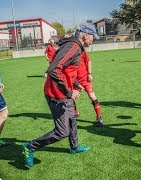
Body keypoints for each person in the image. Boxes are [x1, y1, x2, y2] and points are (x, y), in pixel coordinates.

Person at [22, 23, 100, 168]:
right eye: (92, 37)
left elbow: (65, 70)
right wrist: (69, 91)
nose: (93, 40)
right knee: (62, 131)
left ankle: (74, 147)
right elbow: (53, 69)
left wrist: (75, 83)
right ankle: (31, 146)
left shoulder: (75, 46)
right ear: (85, 35)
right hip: (57, 94)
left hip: (64, 93)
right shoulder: (73, 47)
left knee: (72, 119)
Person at [75, 51, 103, 127]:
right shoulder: (68, 52)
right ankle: (75, 113)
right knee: (71, 97)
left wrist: (89, 73)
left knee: (92, 96)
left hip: (85, 80)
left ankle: (99, 117)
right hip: (75, 81)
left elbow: (89, 61)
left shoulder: (81, 51)